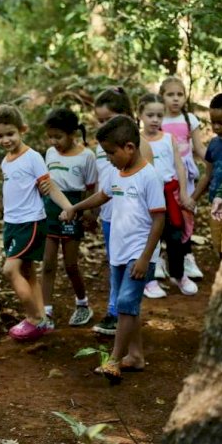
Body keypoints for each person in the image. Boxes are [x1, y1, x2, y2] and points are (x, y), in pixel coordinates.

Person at [60, 115, 165, 383]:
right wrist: (76, 207)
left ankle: (115, 359)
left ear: (129, 147)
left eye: (110, 152)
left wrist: (144, 258)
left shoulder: (149, 177)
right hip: (119, 251)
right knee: (127, 305)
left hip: (138, 253)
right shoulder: (119, 173)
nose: (107, 158)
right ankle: (135, 356)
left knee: (126, 303)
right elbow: (102, 195)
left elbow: (159, 220)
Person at [0, 104, 71, 341]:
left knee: (10, 269)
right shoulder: (6, 161)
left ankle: (33, 318)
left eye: (10, 134)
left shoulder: (33, 157)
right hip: (12, 222)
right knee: (28, 271)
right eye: (0, 136)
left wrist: (68, 207)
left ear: (22, 130)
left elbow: (49, 186)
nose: (6, 140)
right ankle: (43, 320)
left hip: (31, 222)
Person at [90, 87, 150, 336]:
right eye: (100, 120)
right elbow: (100, 183)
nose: (104, 124)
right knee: (115, 264)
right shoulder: (102, 147)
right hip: (109, 214)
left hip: (133, 218)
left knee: (130, 268)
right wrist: (89, 210)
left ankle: (120, 314)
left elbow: (147, 184)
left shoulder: (140, 147)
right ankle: (115, 313)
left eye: (109, 119)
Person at [40, 108, 97, 327]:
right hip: (49, 210)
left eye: (58, 136)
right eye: (50, 136)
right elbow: (46, 183)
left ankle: (82, 304)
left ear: (72, 133)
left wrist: (90, 214)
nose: (54, 141)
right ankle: (46, 312)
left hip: (74, 209)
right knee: (47, 264)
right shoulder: (50, 153)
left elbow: (91, 189)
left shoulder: (86, 156)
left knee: (71, 264)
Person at [136, 94, 196, 298]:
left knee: (175, 235)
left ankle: (178, 275)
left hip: (170, 195)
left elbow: (179, 166)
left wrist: (184, 194)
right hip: (146, 197)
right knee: (149, 238)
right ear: (140, 115)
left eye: (159, 116)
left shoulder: (168, 138)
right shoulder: (136, 139)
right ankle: (149, 280)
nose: (155, 120)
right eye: (150, 115)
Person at [159, 76, 205, 280]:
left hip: (185, 175)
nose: (176, 99)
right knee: (163, 215)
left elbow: (200, 148)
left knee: (186, 214)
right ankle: (159, 258)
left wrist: (216, 159)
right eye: (170, 94)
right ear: (162, 97)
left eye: (180, 94)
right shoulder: (158, 119)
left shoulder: (190, 119)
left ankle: (187, 257)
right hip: (164, 174)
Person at [195, 94, 222, 258]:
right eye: (214, 122)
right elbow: (207, 174)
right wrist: (194, 198)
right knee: (217, 244)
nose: (217, 127)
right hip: (216, 205)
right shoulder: (213, 145)